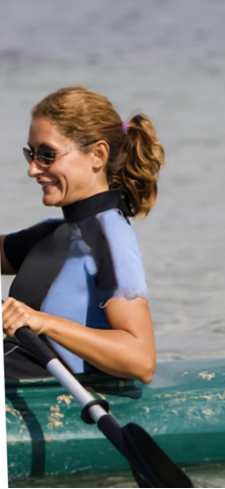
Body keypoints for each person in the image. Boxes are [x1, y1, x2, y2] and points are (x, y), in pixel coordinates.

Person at [1, 86, 164, 383]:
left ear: (97, 155)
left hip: (49, 393)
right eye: (31, 154)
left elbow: (141, 360)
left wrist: (43, 322)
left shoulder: (110, 240)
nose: (33, 170)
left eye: (47, 155)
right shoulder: (51, 235)